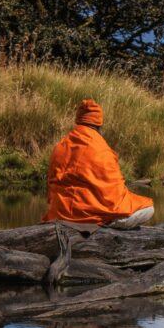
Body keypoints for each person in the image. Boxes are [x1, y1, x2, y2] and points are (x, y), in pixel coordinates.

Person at [42, 98, 154, 229]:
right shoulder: (101, 148)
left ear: (79, 120)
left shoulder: (60, 146)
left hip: (59, 214)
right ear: (99, 125)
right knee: (148, 207)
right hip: (88, 216)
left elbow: (50, 188)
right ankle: (107, 224)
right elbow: (115, 195)